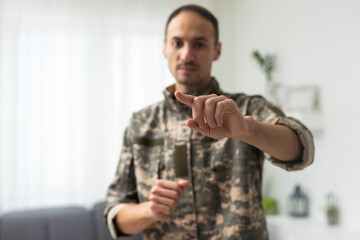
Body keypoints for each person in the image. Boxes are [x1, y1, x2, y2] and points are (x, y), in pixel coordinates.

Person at [104, 4, 314, 240]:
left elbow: (301, 149)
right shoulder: (140, 124)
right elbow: (116, 215)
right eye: (177, 43)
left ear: (217, 50)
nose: (186, 54)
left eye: (199, 44)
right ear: (164, 48)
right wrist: (150, 210)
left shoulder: (246, 109)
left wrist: (248, 130)